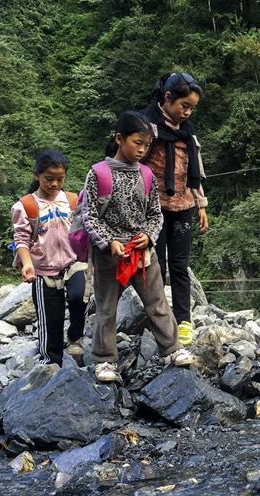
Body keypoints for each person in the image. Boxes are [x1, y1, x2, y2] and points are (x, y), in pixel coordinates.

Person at [82, 110, 194, 382]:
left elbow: (155, 214)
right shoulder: (98, 173)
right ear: (119, 139)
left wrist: (148, 235)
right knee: (107, 308)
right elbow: (89, 216)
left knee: (157, 302)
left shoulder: (146, 175)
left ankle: (172, 349)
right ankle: (104, 360)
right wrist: (109, 242)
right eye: (137, 143)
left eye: (146, 145)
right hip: (110, 254)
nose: (142, 150)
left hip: (141, 251)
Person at [142, 72, 209, 347]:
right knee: (156, 265)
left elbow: (195, 169)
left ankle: (183, 322)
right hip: (152, 211)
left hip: (182, 206)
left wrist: (200, 204)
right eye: (184, 106)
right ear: (168, 97)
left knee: (180, 267)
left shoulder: (187, 130)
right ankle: (160, 322)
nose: (187, 112)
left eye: (192, 108)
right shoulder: (146, 125)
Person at [11, 150, 88, 366]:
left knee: (80, 297)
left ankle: (75, 336)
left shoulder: (72, 200)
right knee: (50, 317)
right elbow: (21, 239)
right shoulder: (26, 205)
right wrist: (27, 264)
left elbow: (84, 229)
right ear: (37, 176)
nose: (54, 184)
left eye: (60, 179)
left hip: (73, 262)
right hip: (43, 269)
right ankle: (51, 362)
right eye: (49, 179)